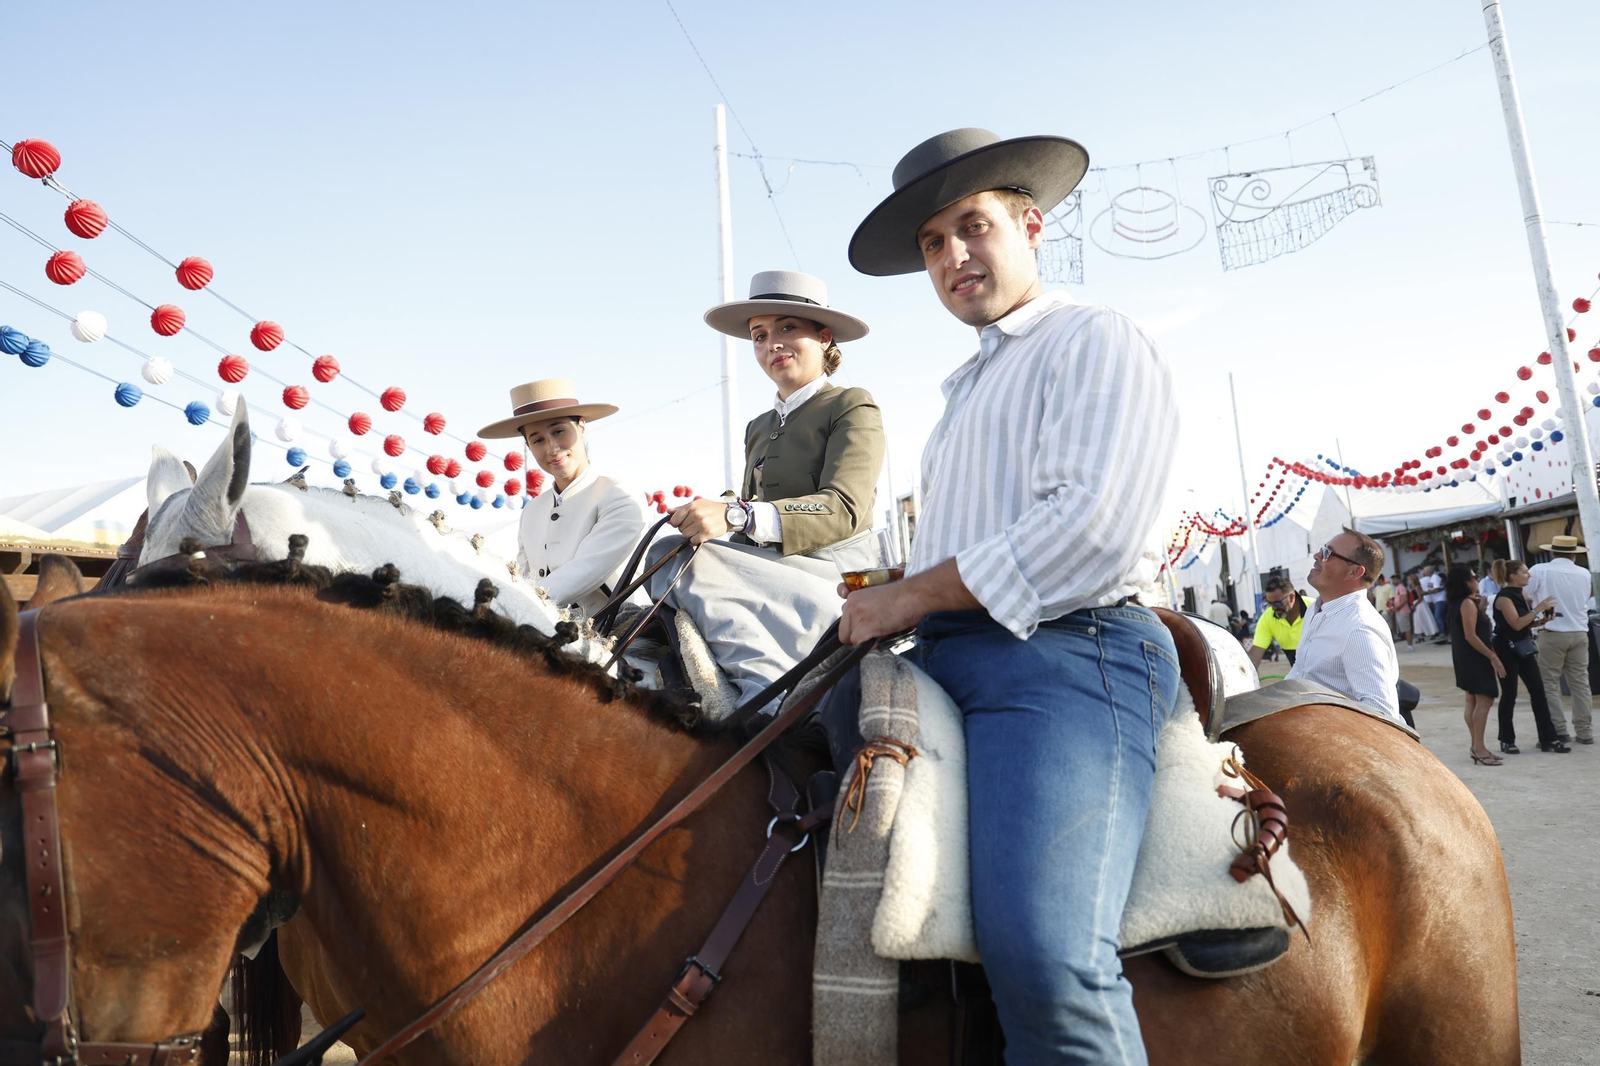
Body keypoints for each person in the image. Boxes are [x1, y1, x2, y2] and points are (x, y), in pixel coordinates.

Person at [836, 127, 1179, 1065]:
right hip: (952, 652)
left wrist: (913, 596)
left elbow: (1092, 530)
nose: (953, 256)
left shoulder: (1094, 338)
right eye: (932, 243)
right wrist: (897, 592)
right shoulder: (967, 387)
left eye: (973, 227)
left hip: (1070, 653)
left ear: (1031, 227)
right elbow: (968, 548)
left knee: (1047, 958)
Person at [650, 269, 883, 706]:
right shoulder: (758, 427)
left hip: (833, 575)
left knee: (671, 556)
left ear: (825, 338)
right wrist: (710, 520)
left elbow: (844, 508)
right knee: (666, 553)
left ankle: (767, 697)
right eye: (759, 335)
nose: (771, 343)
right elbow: (748, 517)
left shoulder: (851, 405)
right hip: (770, 572)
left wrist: (735, 515)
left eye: (787, 328)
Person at [477, 378, 646, 616]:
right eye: (538, 440)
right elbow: (524, 577)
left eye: (558, 431)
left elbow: (587, 569)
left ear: (581, 426)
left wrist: (513, 607)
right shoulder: (532, 510)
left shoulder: (619, 495)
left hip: (619, 630)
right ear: (528, 446)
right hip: (542, 624)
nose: (552, 448)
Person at [1287, 528, 1401, 721]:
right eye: (1322, 549)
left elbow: (1382, 714)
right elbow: (1301, 670)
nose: (1317, 556)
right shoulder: (1317, 609)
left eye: (1327, 553)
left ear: (1354, 572)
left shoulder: (1360, 629)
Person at [1491, 560, 1567, 754]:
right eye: (1525, 572)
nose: (1529, 575)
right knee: (1510, 694)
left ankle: (1548, 738)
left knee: (1538, 691)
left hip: (1522, 645)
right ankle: (1507, 740)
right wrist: (1538, 608)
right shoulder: (1504, 598)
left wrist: (1542, 621)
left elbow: (1524, 624)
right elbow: (1516, 624)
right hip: (1506, 648)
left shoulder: (1522, 594)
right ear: (1512, 576)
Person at [1527, 534, 1594, 744]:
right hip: (1579, 632)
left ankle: (1559, 731)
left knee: (1549, 684)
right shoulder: (1584, 573)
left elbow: (1525, 595)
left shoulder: (1540, 570)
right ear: (1573, 554)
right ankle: (1585, 732)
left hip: (1552, 632)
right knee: (1580, 684)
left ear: (1552, 552)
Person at [1446, 564, 1506, 764]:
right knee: (1485, 699)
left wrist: (1481, 610)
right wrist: (1493, 657)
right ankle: (1478, 747)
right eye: (1473, 577)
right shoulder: (1466, 603)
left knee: (1471, 700)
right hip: (1475, 657)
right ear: (1466, 582)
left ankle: (1477, 745)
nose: (1477, 580)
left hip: (1465, 656)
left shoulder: (1459, 603)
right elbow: (1471, 635)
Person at [1249, 577, 1307, 669]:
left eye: (1277, 603)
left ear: (1292, 597)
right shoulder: (1268, 618)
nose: (1274, 608)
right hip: (1297, 667)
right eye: (1270, 603)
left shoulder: (1316, 608)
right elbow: (1255, 656)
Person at [1411, 574, 1442, 641]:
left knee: (1424, 618)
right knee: (1418, 620)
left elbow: (1420, 598)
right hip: (1417, 604)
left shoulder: (1417, 587)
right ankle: (1421, 635)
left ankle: (1432, 632)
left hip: (1419, 604)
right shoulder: (1415, 587)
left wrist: (1415, 604)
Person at [1420, 564, 1448, 638]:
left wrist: (1426, 592)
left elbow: (1436, 589)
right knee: (1440, 616)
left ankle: (1443, 632)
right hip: (1436, 600)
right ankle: (1443, 631)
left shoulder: (1435, 578)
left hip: (1440, 599)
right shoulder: (1431, 578)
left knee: (1438, 616)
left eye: (1425, 571)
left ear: (1429, 571)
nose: (1424, 573)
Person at [1390, 575, 1415, 650]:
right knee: (1404, 628)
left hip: (1403, 611)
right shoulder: (1397, 588)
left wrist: (1398, 607)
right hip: (1400, 611)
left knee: (1407, 628)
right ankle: (1409, 645)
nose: (1393, 581)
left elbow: (1405, 599)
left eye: (1395, 579)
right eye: (1393, 580)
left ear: (1398, 579)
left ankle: (1410, 645)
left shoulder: (1401, 588)